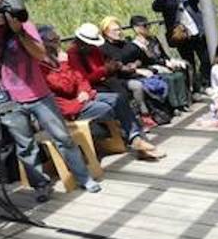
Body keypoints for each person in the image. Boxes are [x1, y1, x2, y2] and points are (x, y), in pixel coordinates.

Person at [0, 0, 98, 200]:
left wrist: (17, 30)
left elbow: (40, 53)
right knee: (25, 146)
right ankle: (40, 186)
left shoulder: (22, 22)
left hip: (39, 93)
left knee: (63, 137)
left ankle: (84, 178)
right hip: (8, 99)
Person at [37, 26, 164, 161]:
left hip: (85, 94)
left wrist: (84, 91)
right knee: (109, 107)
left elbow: (80, 78)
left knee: (119, 98)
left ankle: (136, 139)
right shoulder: (44, 64)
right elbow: (65, 86)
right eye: (53, 40)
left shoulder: (65, 56)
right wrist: (64, 64)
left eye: (57, 38)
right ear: (41, 42)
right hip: (70, 106)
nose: (58, 42)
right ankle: (134, 139)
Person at [151, 0, 210, 95]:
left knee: (205, 58)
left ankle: (206, 82)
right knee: (189, 61)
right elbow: (156, 7)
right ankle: (195, 88)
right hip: (180, 34)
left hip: (195, 30)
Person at [128, 14, 190, 111]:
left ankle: (183, 102)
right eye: (144, 26)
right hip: (151, 66)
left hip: (162, 62)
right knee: (169, 78)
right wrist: (164, 63)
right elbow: (147, 60)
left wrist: (169, 61)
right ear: (136, 28)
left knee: (179, 74)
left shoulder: (153, 39)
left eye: (148, 25)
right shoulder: (135, 45)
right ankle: (174, 106)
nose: (147, 28)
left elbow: (163, 54)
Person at [97, 16, 154, 118]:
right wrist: (123, 68)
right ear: (105, 32)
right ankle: (144, 114)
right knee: (137, 85)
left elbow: (141, 58)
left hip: (134, 72)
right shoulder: (103, 49)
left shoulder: (127, 44)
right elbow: (108, 68)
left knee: (154, 76)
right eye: (114, 30)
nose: (118, 32)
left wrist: (135, 64)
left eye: (119, 29)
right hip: (117, 78)